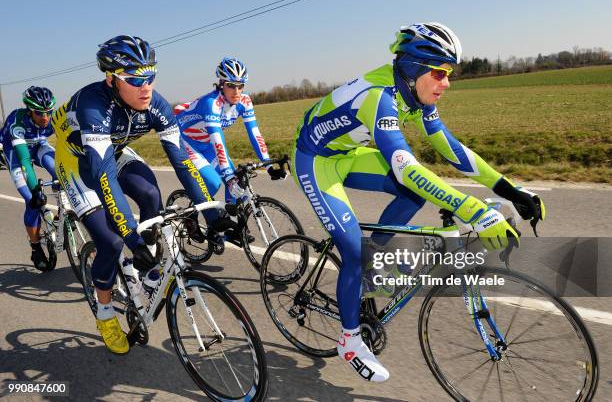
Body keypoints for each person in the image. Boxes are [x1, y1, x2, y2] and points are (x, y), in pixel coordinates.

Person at [292, 22, 545, 382]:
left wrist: (509, 189)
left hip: (349, 153)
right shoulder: (379, 96)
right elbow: (405, 165)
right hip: (315, 160)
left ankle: (373, 262)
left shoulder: (414, 93)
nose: (447, 83)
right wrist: (471, 209)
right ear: (413, 69)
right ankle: (349, 340)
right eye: (440, 73)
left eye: (449, 74)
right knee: (350, 247)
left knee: (409, 197)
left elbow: (451, 149)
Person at [52, 35, 234, 355]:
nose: (146, 87)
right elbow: (103, 175)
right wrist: (131, 239)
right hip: (79, 163)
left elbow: (182, 161)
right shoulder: (94, 105)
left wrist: (213, 216)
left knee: (150, 192)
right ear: (111, 79)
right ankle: (106, 314)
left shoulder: (157, 105)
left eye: (150, 77)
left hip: (116, 150)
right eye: (136, 80)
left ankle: (146, 273)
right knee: (111, 242)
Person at [173, 57, 286, 244]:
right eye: (231, 85)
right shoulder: (211, 103)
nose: (237, 91)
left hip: (208, 143)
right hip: (189, 143)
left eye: (241, 86)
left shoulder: (245, 102)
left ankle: (230, 227)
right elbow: (219, 143)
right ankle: (191, 217)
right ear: (221, 84)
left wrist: (268, 166)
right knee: (213, 182)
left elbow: (255, 134)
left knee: (237, 183)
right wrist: (228, 177)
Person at [0, 86, 57, 270]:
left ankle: (62, 213)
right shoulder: (18, 122)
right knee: (32, 200)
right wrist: (36, 190)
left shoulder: (50, 120)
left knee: (58, 168)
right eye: (39, 113)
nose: (45, 117)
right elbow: (24, 159)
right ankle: (35, 247)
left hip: (39, 144)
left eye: (49, 112)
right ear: (30, 110)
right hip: (16, 153)